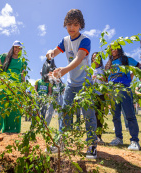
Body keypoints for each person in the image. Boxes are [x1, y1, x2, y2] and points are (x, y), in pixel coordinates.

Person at [46, 9, 98, 159]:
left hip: (85, 82)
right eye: (69, 24)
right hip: (71, 83)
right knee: (65, 112)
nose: (72, 27)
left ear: (80, 25)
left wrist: (64, 70)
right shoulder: (65, 40)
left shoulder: (85, 40)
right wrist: (50, 52)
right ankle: (62, 143)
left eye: (75, 24)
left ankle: (91, 145)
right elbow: (54, 52)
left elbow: (79, 58)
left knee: (88, 114)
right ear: (65, 25)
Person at [105, 45, 140, 151]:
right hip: (112, 91)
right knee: (115, 116)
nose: (113, 50)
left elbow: (138, 66)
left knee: (129, 115)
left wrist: (131, 76)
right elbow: (107, 78)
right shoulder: (109, 64)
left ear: (119, 49)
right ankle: (118, 138)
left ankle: (134, 141)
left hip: (124, 89)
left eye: (115, 48)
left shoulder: (125, 59)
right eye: (111, 49)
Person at [91, 52, 105, 145]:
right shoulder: (90, 69)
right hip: (92, 95)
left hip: (101, 94)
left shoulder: (103, 69)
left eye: (97, 57)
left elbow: (107, 80)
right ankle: (92, 136)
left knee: (100, 116)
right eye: (93, 58)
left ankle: (99, 137)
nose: (95, 59)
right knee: (92, 116)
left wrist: (100, 77)